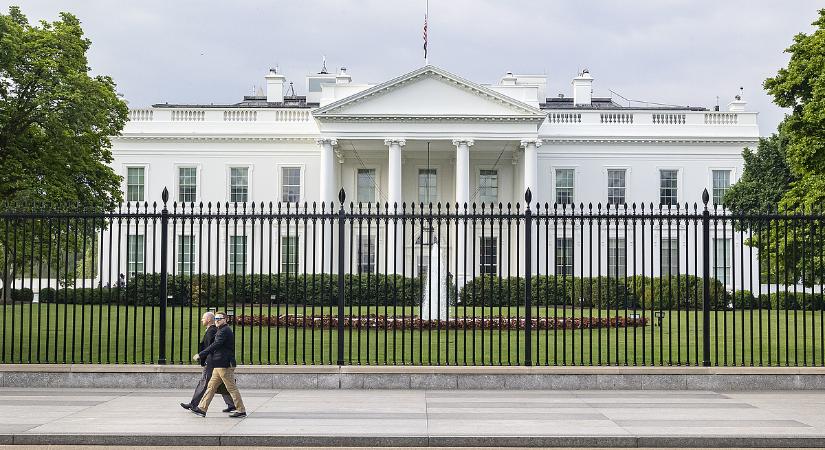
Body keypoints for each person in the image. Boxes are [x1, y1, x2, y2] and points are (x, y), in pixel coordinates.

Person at [190, 312, 246, 418]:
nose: (217, 320)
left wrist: (201, 354)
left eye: (219, 318)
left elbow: (216, 344)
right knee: (211, 387)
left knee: (231, 388)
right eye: (215, 318)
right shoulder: (221, 330)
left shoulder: (224, 331)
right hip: (219, 364)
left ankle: (241, 410)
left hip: (224, 364)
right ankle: (202, 408)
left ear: (225, 319)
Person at [180, 311, 236, 413]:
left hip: (211, 362)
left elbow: (212, 347)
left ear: (209, 319)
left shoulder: (212, 331)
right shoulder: (212, 330)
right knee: (222, 384)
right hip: (215, 362)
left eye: (203, 318)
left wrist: (201, 356)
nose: (202, 320)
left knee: (204, 382)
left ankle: (193, 405)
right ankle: (231, 404)